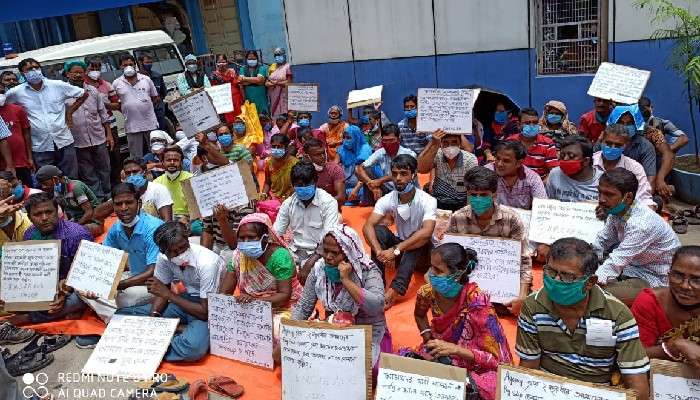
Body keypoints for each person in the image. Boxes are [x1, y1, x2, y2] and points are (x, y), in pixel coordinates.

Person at [516, 238, 650, 400]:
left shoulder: (618, 315)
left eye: (567, 276)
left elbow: (639, 389)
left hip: (596, 393)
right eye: (551, 272)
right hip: (546, 390)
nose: (555, 280)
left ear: (590, 282)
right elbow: (528, 370)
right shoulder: (533, 306)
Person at [406, 243, 512, 400]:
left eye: (438, 270)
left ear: (457, 274)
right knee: (404, 368)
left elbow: (495, 360)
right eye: (431, 267)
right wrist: (429, 339)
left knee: (493, 386)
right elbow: (420, 315)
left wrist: (454, 350)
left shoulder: (477, 302)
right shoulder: (427, 293)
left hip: (474, 362)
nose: (430, 274)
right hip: (441, 351)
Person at [115, 221, 224, 362]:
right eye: (173, 251)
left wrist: (168, 295)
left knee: (193, 348)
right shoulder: (163, 259)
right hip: (184, 301)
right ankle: (176, 331)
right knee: (121, 316)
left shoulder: (207, 263)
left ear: (187, 239)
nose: (181, 254)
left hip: (207, 308)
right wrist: (154, 317)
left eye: (184, 247)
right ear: (163, 251)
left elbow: (205, 312)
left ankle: (156, 342)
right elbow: (162, 290)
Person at [292, 224, 389, 369]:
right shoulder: (319, 270)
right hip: (333, 330)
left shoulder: (368, 271)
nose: (328, 258)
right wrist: (289, 337)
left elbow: (376, 306)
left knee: (370, 372)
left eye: (335, 253)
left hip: (367, 330)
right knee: (306, 362)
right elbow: (304, 307)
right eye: (325, 251)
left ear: (348, 253)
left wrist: (346, 281)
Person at [444, 166, 532, 314]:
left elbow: (523, 260)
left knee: (517, 304)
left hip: (503, 284)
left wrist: (522, 295)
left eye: (484, 195)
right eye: (473, 194)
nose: (478, 199)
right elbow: (449, 258)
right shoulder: (457, 218)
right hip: (469, 281)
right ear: (467, 194)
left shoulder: (511, 219)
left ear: (494, 194)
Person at [594, 168, 681, 304]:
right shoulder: (619, 210)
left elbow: (617, 261)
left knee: (598, 295)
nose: (601, 199)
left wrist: (590, 281)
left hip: (655, 277)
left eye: (609, 194)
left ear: (628, 197)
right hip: (632, 266)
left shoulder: (641, 224)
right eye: (599, 192)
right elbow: (602, 240)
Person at [83, 183, 163, 324]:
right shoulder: (116, 229)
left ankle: (117, 317)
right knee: (82, 287)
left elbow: (152, 271)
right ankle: (118, 318)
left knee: (123, 296)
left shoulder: (153, 227)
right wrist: (95, 285)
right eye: (118, 204)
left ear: (138, 203)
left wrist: (117, 286)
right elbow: (104, 259)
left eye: (129, 202)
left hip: (155, 283)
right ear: (113, 206)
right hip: (133, 277)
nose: (124, 208)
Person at [363, 154, 436, 309]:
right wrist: (379, 251)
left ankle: (395, 291)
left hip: (423, 252)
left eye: (403, 174)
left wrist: (395, 250)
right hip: (399, 249)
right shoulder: (388, 198)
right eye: (395, 174)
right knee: (378, 230)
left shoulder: (427, 200)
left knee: (417, 237)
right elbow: (367, 226)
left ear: (414, 175)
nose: (398, 178)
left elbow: (427, 232)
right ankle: (377, 284)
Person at [221, 213, 302, 344]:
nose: (246, 242)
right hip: (248, 306)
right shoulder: (237, 256)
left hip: (283, 307)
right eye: (242, 238)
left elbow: (284, 296)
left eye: (252, 238)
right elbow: (224, 293)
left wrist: (255, 301)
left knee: (277, 332)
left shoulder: (280, 256)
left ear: (265, 238)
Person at [6, 57, 88, 178]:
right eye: (29, 69)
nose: (34, 70)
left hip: (63, 140)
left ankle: (71, 197)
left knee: (71, 178)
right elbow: (5, 106)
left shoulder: (57, 85)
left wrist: (69, 112)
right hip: (40, 145)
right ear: (23, 73)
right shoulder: (16, 92)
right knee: (47, 180)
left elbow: (83, 94)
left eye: (36, 67)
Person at [20, 192, 93, 323]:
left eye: (49, 212)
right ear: (29, 218)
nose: (44, 218)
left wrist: (64, 292)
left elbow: (89, 275)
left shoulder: (78, 235)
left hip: (74, 287)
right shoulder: (29, 234)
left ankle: (28, 318)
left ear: (57, 211)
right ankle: (65, 312)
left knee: (83, 298)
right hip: (46, 286)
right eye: (37, 214)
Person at [631, 246, 700, 369]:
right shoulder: (649, 302)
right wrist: (675, 347)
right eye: (678, 276)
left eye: (697, 280)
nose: (685, 286)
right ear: (668, 275)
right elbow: (633, 356)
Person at [274, 161, 340, 281]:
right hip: (294, 251)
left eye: (307, 184)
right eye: (299, 185)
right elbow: (276, 233)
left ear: (315, 182)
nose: (303, 188)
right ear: (293, 185)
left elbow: (329, 238)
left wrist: (309, 265)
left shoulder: (328, 202)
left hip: (320, 254)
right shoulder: (288, 203)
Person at [63, 60, 113, 200]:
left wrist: (109, 135)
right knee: (87, 171)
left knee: (104, 168)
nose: (78, 75)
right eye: (75, 72)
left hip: (98, 137)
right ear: (68, 74)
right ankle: (98, 197)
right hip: (78, 140)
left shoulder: (93, 91)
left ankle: (109, 195)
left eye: (81, 72)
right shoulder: (64, 94)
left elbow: (103, 115)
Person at [607, 104, 675, 201]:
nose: (625, 127)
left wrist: (660, 179)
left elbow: (668, 154)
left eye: (630, 123)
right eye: (621, 123)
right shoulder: (606, 139)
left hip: (643, 173)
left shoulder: (650, 134)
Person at [593, 124, 655, 209]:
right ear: (601, 140)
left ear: (626, 145)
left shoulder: (634, 168)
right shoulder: (589, 163)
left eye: (618, 145)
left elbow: (644, 199)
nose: (612, 148)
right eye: (608, 143)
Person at [112, 54, 160, 160]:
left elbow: (155, 97)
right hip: (131, 125)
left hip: (150, 123)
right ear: (120, 67)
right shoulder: (116, 83)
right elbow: (115, 103)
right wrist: (128, 109)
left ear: (135, 65)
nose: (128, 67)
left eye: (130, 64)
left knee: (157, 152)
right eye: (125, 65)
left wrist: (144, 105)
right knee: (135, 157)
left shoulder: (146, 79)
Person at [417, 129, 478, 211]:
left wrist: (466, 213)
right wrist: (434, 144)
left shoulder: (470, 160)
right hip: (439, 202)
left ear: (460, 144)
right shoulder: (437, 154)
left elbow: (472, 190)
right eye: (445, 143)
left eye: (454, 142)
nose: (450, 146)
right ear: (441, 144)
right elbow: (421, 169)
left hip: (461, 203)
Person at [35, 165, 103, 238]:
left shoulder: (75, 187)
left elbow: (89, 212)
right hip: (76, 221)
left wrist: (73, 227)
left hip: (93, 221)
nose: (43, 187)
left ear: (55, 179)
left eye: (45, 184)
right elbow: (63, 212)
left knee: (77, 234)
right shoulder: (56, 190)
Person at [85, 56, 122, 183]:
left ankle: (116, 180)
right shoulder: (83, 85)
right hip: (93, 127)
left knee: (114, 154)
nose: (95, 70)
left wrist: (101, 103)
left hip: (110, 124)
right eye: (92, 67)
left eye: (98, 67)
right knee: (98, 157)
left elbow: (116, 105)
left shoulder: (106, 85)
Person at [358, 124, 417, 201]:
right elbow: (360, 168)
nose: (388, 144)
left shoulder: (409, 154)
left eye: (391, 140)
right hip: (388, 189)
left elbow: (401, 172)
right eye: (385, 141)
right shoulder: (380, 152)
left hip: (406, 190)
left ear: (399, 139)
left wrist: (380, 181)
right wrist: (372, 184)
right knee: (364, 170)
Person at [486, 141, 547, 210]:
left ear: (519, 163)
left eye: (506, 161)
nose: (499, 164)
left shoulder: (532, 178)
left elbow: (542, 207)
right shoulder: (486, 173)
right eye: (497, 159)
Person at [506, 107, 559, 180]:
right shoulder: (510, 142)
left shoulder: (548, 144)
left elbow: (553, 172)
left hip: (540, 185)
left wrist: (540, 186)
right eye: (527, 123)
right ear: (519, 125)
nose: (532, 126)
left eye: (535, 122)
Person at [546, 135, 602, 202]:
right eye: (562, 155)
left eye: (571, 156)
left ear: (586, 161)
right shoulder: (555, 174)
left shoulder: (601, 181)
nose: (565, 159)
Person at [0, 83, 32, 186]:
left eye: (2, 92)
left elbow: (26, 133)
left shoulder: (17, 109)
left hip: (20, 162)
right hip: (2, 166)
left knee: (25, 190)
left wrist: (29, 158)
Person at [153, 146, 193, 224]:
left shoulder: (191, 179)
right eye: (168, 160)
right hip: (165, 221)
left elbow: (197, 210)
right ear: (162, 163)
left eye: (175, 160)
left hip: (188, 219)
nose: (172, 163)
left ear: (181, 163)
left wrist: (189, 219)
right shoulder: (156, 183)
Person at [303, 138, 345, 207]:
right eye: (317, 154)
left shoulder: (335, 169)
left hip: (330, 210)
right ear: (307, 157)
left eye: (323, 153)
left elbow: (341, 197)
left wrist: (318, 206)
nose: (323, 157)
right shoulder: (302, 171)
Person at [340, 124, 374, 205]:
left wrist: (356, 189)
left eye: (348, 138)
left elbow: (363, 173)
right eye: (344, 137)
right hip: (345, 186)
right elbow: (335, 165)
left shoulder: (365, 149)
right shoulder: (342, 149)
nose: (345, 140)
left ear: (356, 137)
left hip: (361, 187)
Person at [137, 55, 169, 132]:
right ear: (140, 63)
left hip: (158, 110)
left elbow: (163, 93)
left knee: (161, 132)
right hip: (144, 112)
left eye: (151, 62)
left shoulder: (157, 76)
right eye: (147, 62)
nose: (149, 64)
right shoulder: (136, 78)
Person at [263, 133, 299, 201]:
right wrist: (264, 194)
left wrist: (285, 198)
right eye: (274, 146)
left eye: (279, 147)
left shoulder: (295, 163)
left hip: (290, 198)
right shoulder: (269, 162)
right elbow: (267, 183)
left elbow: (297, 185)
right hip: (273, 198)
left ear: (286, 147)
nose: (276, 149)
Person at [210, 54, 244, 124]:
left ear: (227, 62)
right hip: (224, 102)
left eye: (223, 62)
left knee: (240, 119)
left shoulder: (232, 72)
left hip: (236, 100)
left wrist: (244, 98)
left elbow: (239, 85)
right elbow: (213, 90)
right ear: (216, 63)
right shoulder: (214, 75)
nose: (221, 64)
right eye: (219, 62)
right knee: (229, 121)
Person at [239, 50, 269, 115]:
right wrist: (257, 82)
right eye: (249, 59)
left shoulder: (262, 68)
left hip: (261, 98)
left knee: (264, 117)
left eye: (253, 59)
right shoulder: (243, 69)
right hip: (249, 98)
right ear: (246, 59)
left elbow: (259, 79)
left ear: (257, 59)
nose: (251, 60)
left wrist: (245, 79)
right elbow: (241, 82)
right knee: (252, 118)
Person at [266, 48, 292, 117]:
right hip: (273, 95)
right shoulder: (272, 67)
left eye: (280, 55)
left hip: (283, 94)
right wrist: (269, 84)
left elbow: (289, 82)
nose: (278, 57)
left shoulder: (288, 67)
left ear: (284, 56)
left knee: (284, 112)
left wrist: (276, 83)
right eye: (276, 55)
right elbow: (267, 81)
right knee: (275, 114)